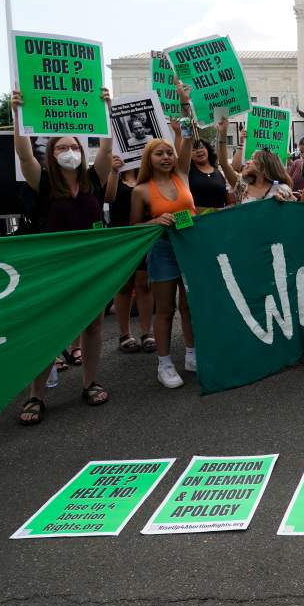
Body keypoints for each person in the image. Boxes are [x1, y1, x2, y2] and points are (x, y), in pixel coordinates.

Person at [11, 88, 114, 424]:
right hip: (54, 268)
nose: (69, 151)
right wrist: (18, 116)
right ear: (51, 154)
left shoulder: (93, 180)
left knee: (94, 326)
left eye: (73, 147)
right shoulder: (42, 182)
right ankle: (36, 396)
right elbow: (24, 156)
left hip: (91, 265)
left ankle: (90, 382)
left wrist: (106, 110)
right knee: (50, 331)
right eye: (61, 147)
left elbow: (109, 146)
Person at [131, 85, 199, 389]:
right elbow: (133, 229)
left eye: (169, 152)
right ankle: (164, 363)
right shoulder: (141, 191)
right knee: (166, 309)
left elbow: (188, 134)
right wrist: (154, 221)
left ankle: (191, 354)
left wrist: (186, 105)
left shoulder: (182, 174)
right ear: (149, 158)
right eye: (159, 153)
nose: (167, 157)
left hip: (190, 247)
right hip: (162, 251)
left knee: (189, 306)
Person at [105, 155, 155, 354]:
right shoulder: (114, 176)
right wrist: (114, 171)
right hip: (121, 238)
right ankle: (125, 334)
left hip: (143, 235)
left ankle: (147, 332)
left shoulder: (147, 179)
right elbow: (108, 197)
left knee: (144, 284)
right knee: (124, 286)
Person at [185, 136, 230, 211]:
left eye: (201, 147)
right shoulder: (186, 173)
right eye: (193, 150)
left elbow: (229, 201)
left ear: (208, 149)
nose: (198, 151)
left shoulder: (219, 172)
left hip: (221, 218)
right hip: (199, 219)